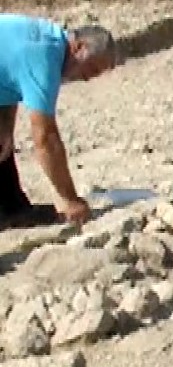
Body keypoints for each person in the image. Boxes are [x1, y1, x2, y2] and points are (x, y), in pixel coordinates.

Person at [0, 15, 120, 228]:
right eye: (92, 69)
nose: (87, 78)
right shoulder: (45, 58)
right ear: (79, 48)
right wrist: (71, 199)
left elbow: (9, 78)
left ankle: (11, 208)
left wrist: (6, 126)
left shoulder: (49, 37)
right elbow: (45, 138)